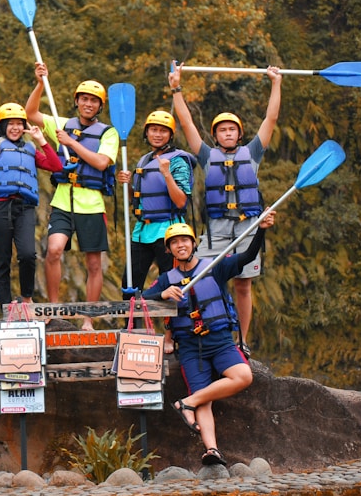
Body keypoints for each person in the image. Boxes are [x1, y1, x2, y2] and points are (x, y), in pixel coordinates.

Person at [143, 212, 275, 466]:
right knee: (204, 398)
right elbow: (138, 300)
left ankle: (186, 404)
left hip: (220, 340)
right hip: (191, 347)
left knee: (243, 376)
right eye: (175, 242)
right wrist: (161, 293)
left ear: (193, 244)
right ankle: (212, 449)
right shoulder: (165, 280)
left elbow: (247, 257)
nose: (180, 245)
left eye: (185, 240)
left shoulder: (215, 267)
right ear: (169, 249)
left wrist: (261, 230)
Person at [169, 61, 282, 357]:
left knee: (243, 286)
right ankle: (207, 333)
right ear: (215, 136)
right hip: (217, 229)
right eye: (222, 130)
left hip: (248, 227)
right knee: (204, 281)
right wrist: (177, 87)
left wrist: (276, 83)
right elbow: (187, 123)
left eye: (232, 129)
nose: (227, 133)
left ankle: (242, 340)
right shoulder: (207, 156)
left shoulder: (253, 153)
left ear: (239, 134)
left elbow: (271, 118)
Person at [25, 62, 119, 330]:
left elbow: (102, 162)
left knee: (93, 264)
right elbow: (31, 112)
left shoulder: (108, 132)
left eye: (94, 101)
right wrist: (41, 83)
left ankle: (88, 318)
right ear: (77, 102)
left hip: (91, 202)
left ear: (100, 106)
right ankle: (54, 309)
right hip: (64, 200)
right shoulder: (63, 123)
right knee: (53, 250)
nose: (88, 104)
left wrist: (72, 143)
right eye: (84, 99)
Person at [0, 103, 63, 305]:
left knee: (28, 254)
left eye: (19, 124)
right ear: (2, 126)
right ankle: (5, 305)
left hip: (24, 208)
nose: (15, 128)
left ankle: (27, 298)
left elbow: (56, 166)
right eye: (10, 124)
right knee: (2, 260)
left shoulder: (30, 149)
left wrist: (41, 140)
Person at [117, 110, 195, 295]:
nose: (158, 135)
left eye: (163, 131)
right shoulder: (144, 160)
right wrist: (128, 184)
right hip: (143, 231)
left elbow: (181, 202)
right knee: (129, 284)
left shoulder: (178, 161)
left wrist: (167, 174)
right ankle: (132, 324)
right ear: (146, 133)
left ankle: (175, 324)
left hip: (168, 231)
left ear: (170, 135)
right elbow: (135, 200)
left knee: (171, 284)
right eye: (153, 130)